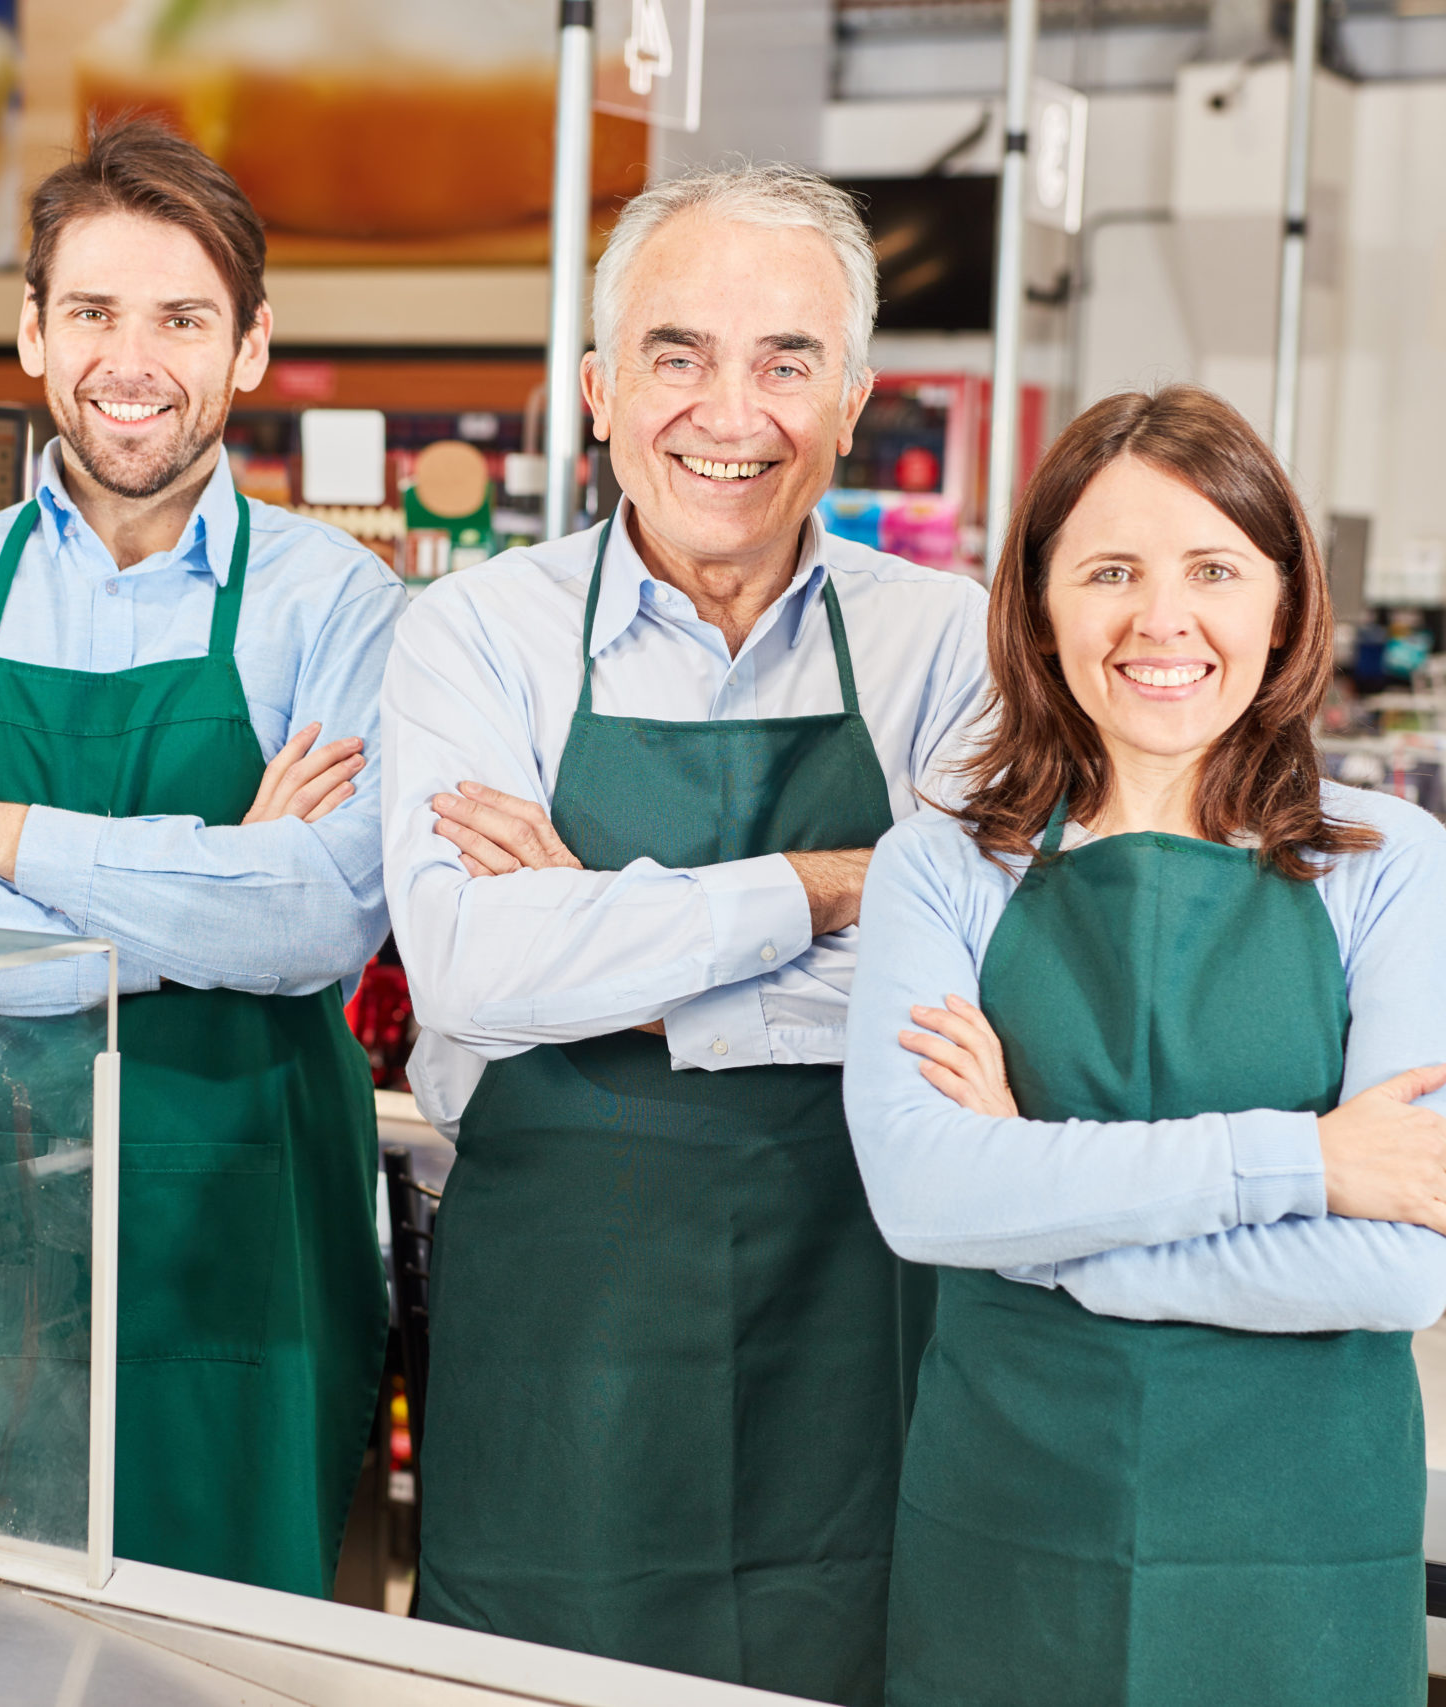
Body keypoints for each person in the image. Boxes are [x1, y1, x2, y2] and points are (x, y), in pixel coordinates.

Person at [382, 164, 989, 1704]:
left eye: (790, 360)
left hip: (856, 1328)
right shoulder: (475, 631)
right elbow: (466, 965)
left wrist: (618, 950)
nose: (734, 409)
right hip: (557, 1350)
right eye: (679, 354)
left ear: (854, 402)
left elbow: (978, 985)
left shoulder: (954, 641)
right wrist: (837, 881)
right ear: (597, 390)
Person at [0, 120, 398, 1596]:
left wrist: (6, 843)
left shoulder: (341, 599)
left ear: (251, 345)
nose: (135, 358)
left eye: (183, 317)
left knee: (238, 1646)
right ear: (32, 334)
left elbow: (323, 922)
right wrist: (211, 878)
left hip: (244, 1231)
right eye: (94, 313)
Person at [845, 385, 1446, 1707]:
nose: (1163, 618)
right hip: (1014, 1525)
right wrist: (1304, 1156)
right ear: (1037, 608)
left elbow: (1398, 1263)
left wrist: (1038, 1206)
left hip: (1296, 1545)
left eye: (1212, 568)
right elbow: (921, 1194)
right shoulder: (939, 865)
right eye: (1110, 571)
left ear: (1281, 604)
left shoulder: (1386, 865)